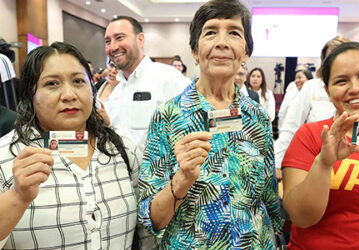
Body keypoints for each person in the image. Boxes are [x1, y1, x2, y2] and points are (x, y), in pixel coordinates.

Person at [138, 0, 283, 248]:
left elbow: (270, 202)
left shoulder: (257, 116)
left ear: (246, 52)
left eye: (234, 33)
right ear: (195, 51)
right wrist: (181, 180)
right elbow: (151, 218)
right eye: (211, 32)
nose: (222, 42)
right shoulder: (167, 116)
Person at [0, 42, 139, 249]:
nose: (69, 95)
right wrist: (17, 197)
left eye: (78, 81)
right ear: (30, 95)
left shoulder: (123, 149)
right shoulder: (5, 156)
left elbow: (145, 234)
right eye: (52, 84)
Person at [282, 42, 359, 249]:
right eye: (341, 81)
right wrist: (324, 164)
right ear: (327, 91)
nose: (355, 88)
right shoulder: (310, 136)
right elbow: (301, 217)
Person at [104, 16, 188, 154]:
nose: (113, 47)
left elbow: (191, 130)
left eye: (119, 38)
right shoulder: (117, 91)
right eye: (108, 41)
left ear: (140, 39)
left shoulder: (168, 78)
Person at [274, 36, 351, 177]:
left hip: (351, 162)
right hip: (314, 160)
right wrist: (277, 163)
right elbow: (291, 125)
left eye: (340, 55)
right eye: (330, 58)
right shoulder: (311, 86)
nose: (336, 62)